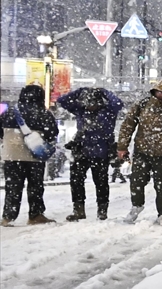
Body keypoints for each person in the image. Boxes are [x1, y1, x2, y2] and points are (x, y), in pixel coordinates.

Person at [117, 79, 162, 226]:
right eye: (160, 91)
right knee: (137, 180)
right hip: (142, 150)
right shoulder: (142, 105)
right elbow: (128, 125)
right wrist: (122, 147)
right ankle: (137, 206)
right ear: (154, 91)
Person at [58, 87, 124, 221]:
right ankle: (78, 209)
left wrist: (104, 91)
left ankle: (102, 210)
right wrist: (80, 90)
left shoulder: (108, 111)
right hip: (82, 150)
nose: (89, 105)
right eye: (87, 102)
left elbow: (118, 103)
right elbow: (62, 101)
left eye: (92, 102)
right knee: (76, 181)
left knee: (101, 183)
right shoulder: (81, 111)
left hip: (101, 152)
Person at [1, 84, 58, 226]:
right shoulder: (44, 113)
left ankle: (8, 217)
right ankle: (35, 215)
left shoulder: (10, 112)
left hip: (12, 155)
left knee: (13, 186)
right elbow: (52, 133)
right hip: (34, 155)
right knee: (35, 186)